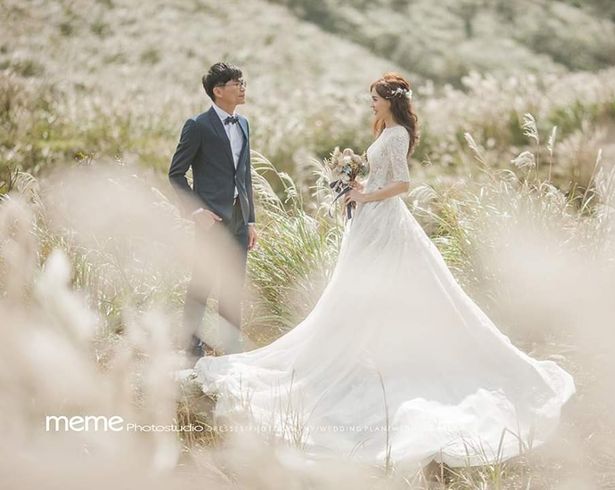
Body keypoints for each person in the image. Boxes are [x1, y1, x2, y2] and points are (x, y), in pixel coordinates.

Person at [192, 73, 575, 472]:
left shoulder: (396, 136)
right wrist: (352, 184)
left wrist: (363, 194)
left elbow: (403, 185)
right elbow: (380, 177)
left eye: (374, 98)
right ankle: (364, 351)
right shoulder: (387, 131)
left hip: (386, 219)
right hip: (370, 220)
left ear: (390, 100)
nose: (370, 103)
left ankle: (378, 356)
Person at [169, 62, 257, 363]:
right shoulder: (197, 126)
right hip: (210, 221)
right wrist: (197, 212)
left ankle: (232, 347)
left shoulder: (244, 124)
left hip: (238, 219)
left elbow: (245, 176)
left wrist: (251, 220)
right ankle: (191, 346)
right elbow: (176, 174)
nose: (243, 86)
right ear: (218, 91)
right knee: (202, 283)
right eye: (236, 82)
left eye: (242, 81)